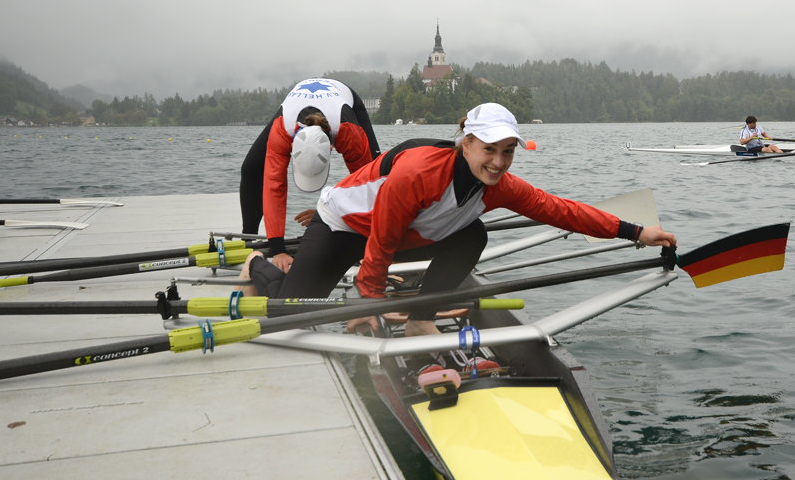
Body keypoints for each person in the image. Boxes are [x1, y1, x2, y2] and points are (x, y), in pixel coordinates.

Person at [242, 102, 677, 338]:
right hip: (344, 225)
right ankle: (258, 265)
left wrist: (637, 232)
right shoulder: (417, 173)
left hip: (399, 235)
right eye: (489, 149)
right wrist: (367, 300)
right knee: (288, 319)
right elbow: (383, 238)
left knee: (472, 235)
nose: (499, 161)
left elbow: (562, 210)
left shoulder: (501, 184)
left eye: (507, 151)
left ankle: (419, 315)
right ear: (466, 143)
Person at [239, 78, 381, 272]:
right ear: (292, 147)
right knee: (251, 169)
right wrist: (277, 248)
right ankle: (248, 239)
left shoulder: (349, 132)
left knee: (377, 172)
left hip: (344, 99)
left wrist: (329, 214)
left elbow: (366, 187)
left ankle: (371, 238)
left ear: (331, 147)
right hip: (296, 106)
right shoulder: (282, 131)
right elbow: (274, 187)